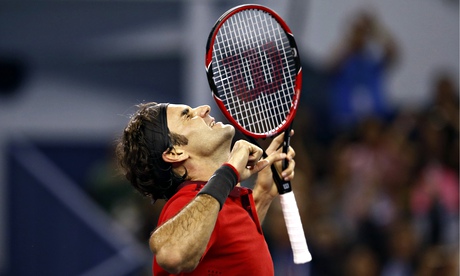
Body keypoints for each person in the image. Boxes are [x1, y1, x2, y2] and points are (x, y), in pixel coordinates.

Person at [115, 102, 297, 275]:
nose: (204, 108)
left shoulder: (215, 201)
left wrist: (263, 193)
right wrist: (229, 171)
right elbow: (171, 254)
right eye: (187, 116)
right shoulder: (188, 199)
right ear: (174, 153)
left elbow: (227, 243)